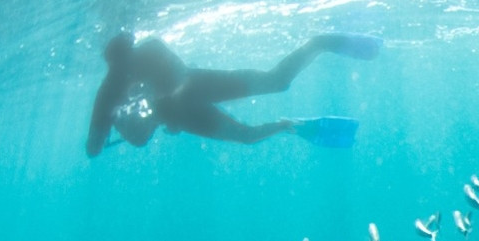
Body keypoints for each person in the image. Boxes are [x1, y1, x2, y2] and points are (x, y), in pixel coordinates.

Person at [85, 32, 381, 157]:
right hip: (196, 86)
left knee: (249, 134)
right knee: (276, 82)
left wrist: (141, 118)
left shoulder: (107, 94)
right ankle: (319, 43)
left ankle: (287, 124)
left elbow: (94, 149)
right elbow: (178, 75)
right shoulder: (148, 48)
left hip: (183, 106)